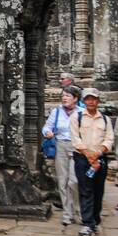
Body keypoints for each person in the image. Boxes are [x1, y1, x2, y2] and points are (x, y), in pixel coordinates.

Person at [69, 87, 114, 236]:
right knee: (85, 189)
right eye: (88, 99)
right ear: (84, 101)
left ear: (98, 101)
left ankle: (94, 219)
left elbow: (109, 139)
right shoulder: (77, 117)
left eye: (93, 99)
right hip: (82, 157)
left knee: (98, 190)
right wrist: (88, 154)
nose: (91, 101)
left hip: (99, 158)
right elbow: (75, 138)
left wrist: (98, 152)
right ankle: (87, 223)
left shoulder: (105, 119)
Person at [43, 86, 82, 226]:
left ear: (76, 98)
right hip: (61, 146)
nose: (64, 98)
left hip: (77, 147)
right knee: (62, 181)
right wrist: (47, 132)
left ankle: (78, 210)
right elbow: (47, 127)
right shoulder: (57, 111)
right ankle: (67, 213)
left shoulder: (81, 112)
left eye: (68, 96)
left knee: (74, 181)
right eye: (63, 95)